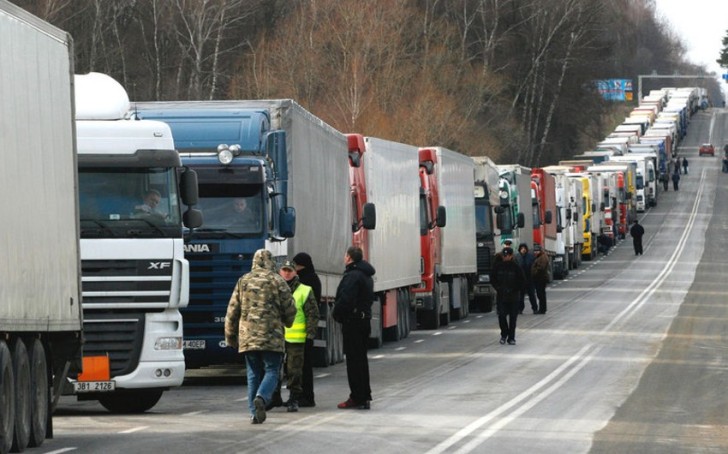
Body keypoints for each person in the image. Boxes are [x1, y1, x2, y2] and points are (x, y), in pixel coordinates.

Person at [224, 248, 296, 424]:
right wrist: (288, 322)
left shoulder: (243, 281)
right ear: (271, 262)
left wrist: (230, 337)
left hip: (248, 337)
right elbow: (290, 308)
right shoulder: (278, 281)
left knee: (253, 373)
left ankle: (254, 414)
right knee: (272, 370)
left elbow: (232, 311)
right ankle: (262, 397)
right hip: (272, 336)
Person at [332, 246, 375, 410]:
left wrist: (337, 314)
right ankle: (364, 395)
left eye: (345, 255)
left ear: (349, 258)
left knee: (353, 361)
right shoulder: (366, 274)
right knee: (361, 360)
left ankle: (357, 397)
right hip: (364, 321)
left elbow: (346, 299)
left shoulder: (352, 276)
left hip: (353, 322)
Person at [278, 260, 319, 413]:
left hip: (297, 338)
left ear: (295, 272)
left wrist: (310, 334)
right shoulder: (274, 289)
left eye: (290, 270)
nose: (287, 273)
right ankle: (275, 397)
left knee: (294, 370)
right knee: (275, 369)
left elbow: (312, 314)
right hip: (277, 337)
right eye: (284, 270)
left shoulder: (305, 290)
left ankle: (294, 398)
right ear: (279, 272)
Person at [292, 252, 322, 407]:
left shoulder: (306, 281)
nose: (294, 268)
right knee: (302, 365)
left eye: (296, 265)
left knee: (303, 366)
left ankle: (306, 396)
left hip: (303, 330)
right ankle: (303, 395)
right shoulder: (313, 278)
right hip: (303, 330)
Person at [490, 246, 525, 345]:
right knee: (501, 316)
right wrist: (498, 288)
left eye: (507, 255)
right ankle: (504, 334)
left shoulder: (516, 267)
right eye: (504, 255)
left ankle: (511, 337)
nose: (505, 257)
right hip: (502, 296)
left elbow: (522, 281)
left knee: (513, 318)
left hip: (513, 297)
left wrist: (514, 289)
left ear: (511, 256)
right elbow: (493, 279)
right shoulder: (498, 267)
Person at [515, 243, 537, 314]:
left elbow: (534, 266)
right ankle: (520, 309)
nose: (523, 250)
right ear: (520, 249)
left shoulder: (530, 257)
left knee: (532, 295)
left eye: (524, 248)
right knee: (520, 296)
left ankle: (535, 308)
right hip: (521, 280)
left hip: (529, 279)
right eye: (522, 248)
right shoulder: (517, 257)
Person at [531, 244, 550, 314]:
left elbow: (541, 268)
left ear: (540, 251)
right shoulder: (539, 257)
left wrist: (534, 271)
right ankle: (542, 309)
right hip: (539, 278)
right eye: (535, 251)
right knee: (540, 294)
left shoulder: (543, 257)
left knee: (541, 294)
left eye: (537, 251)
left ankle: (542, 309)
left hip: (541, 278)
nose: (536, 252)